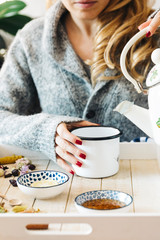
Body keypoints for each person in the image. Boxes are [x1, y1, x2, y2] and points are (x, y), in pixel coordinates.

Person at [0, 0, 159, 175]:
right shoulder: (31, 39)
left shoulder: (153, 32)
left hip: (145, 179)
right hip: (62, 187)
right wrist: (44, 130)